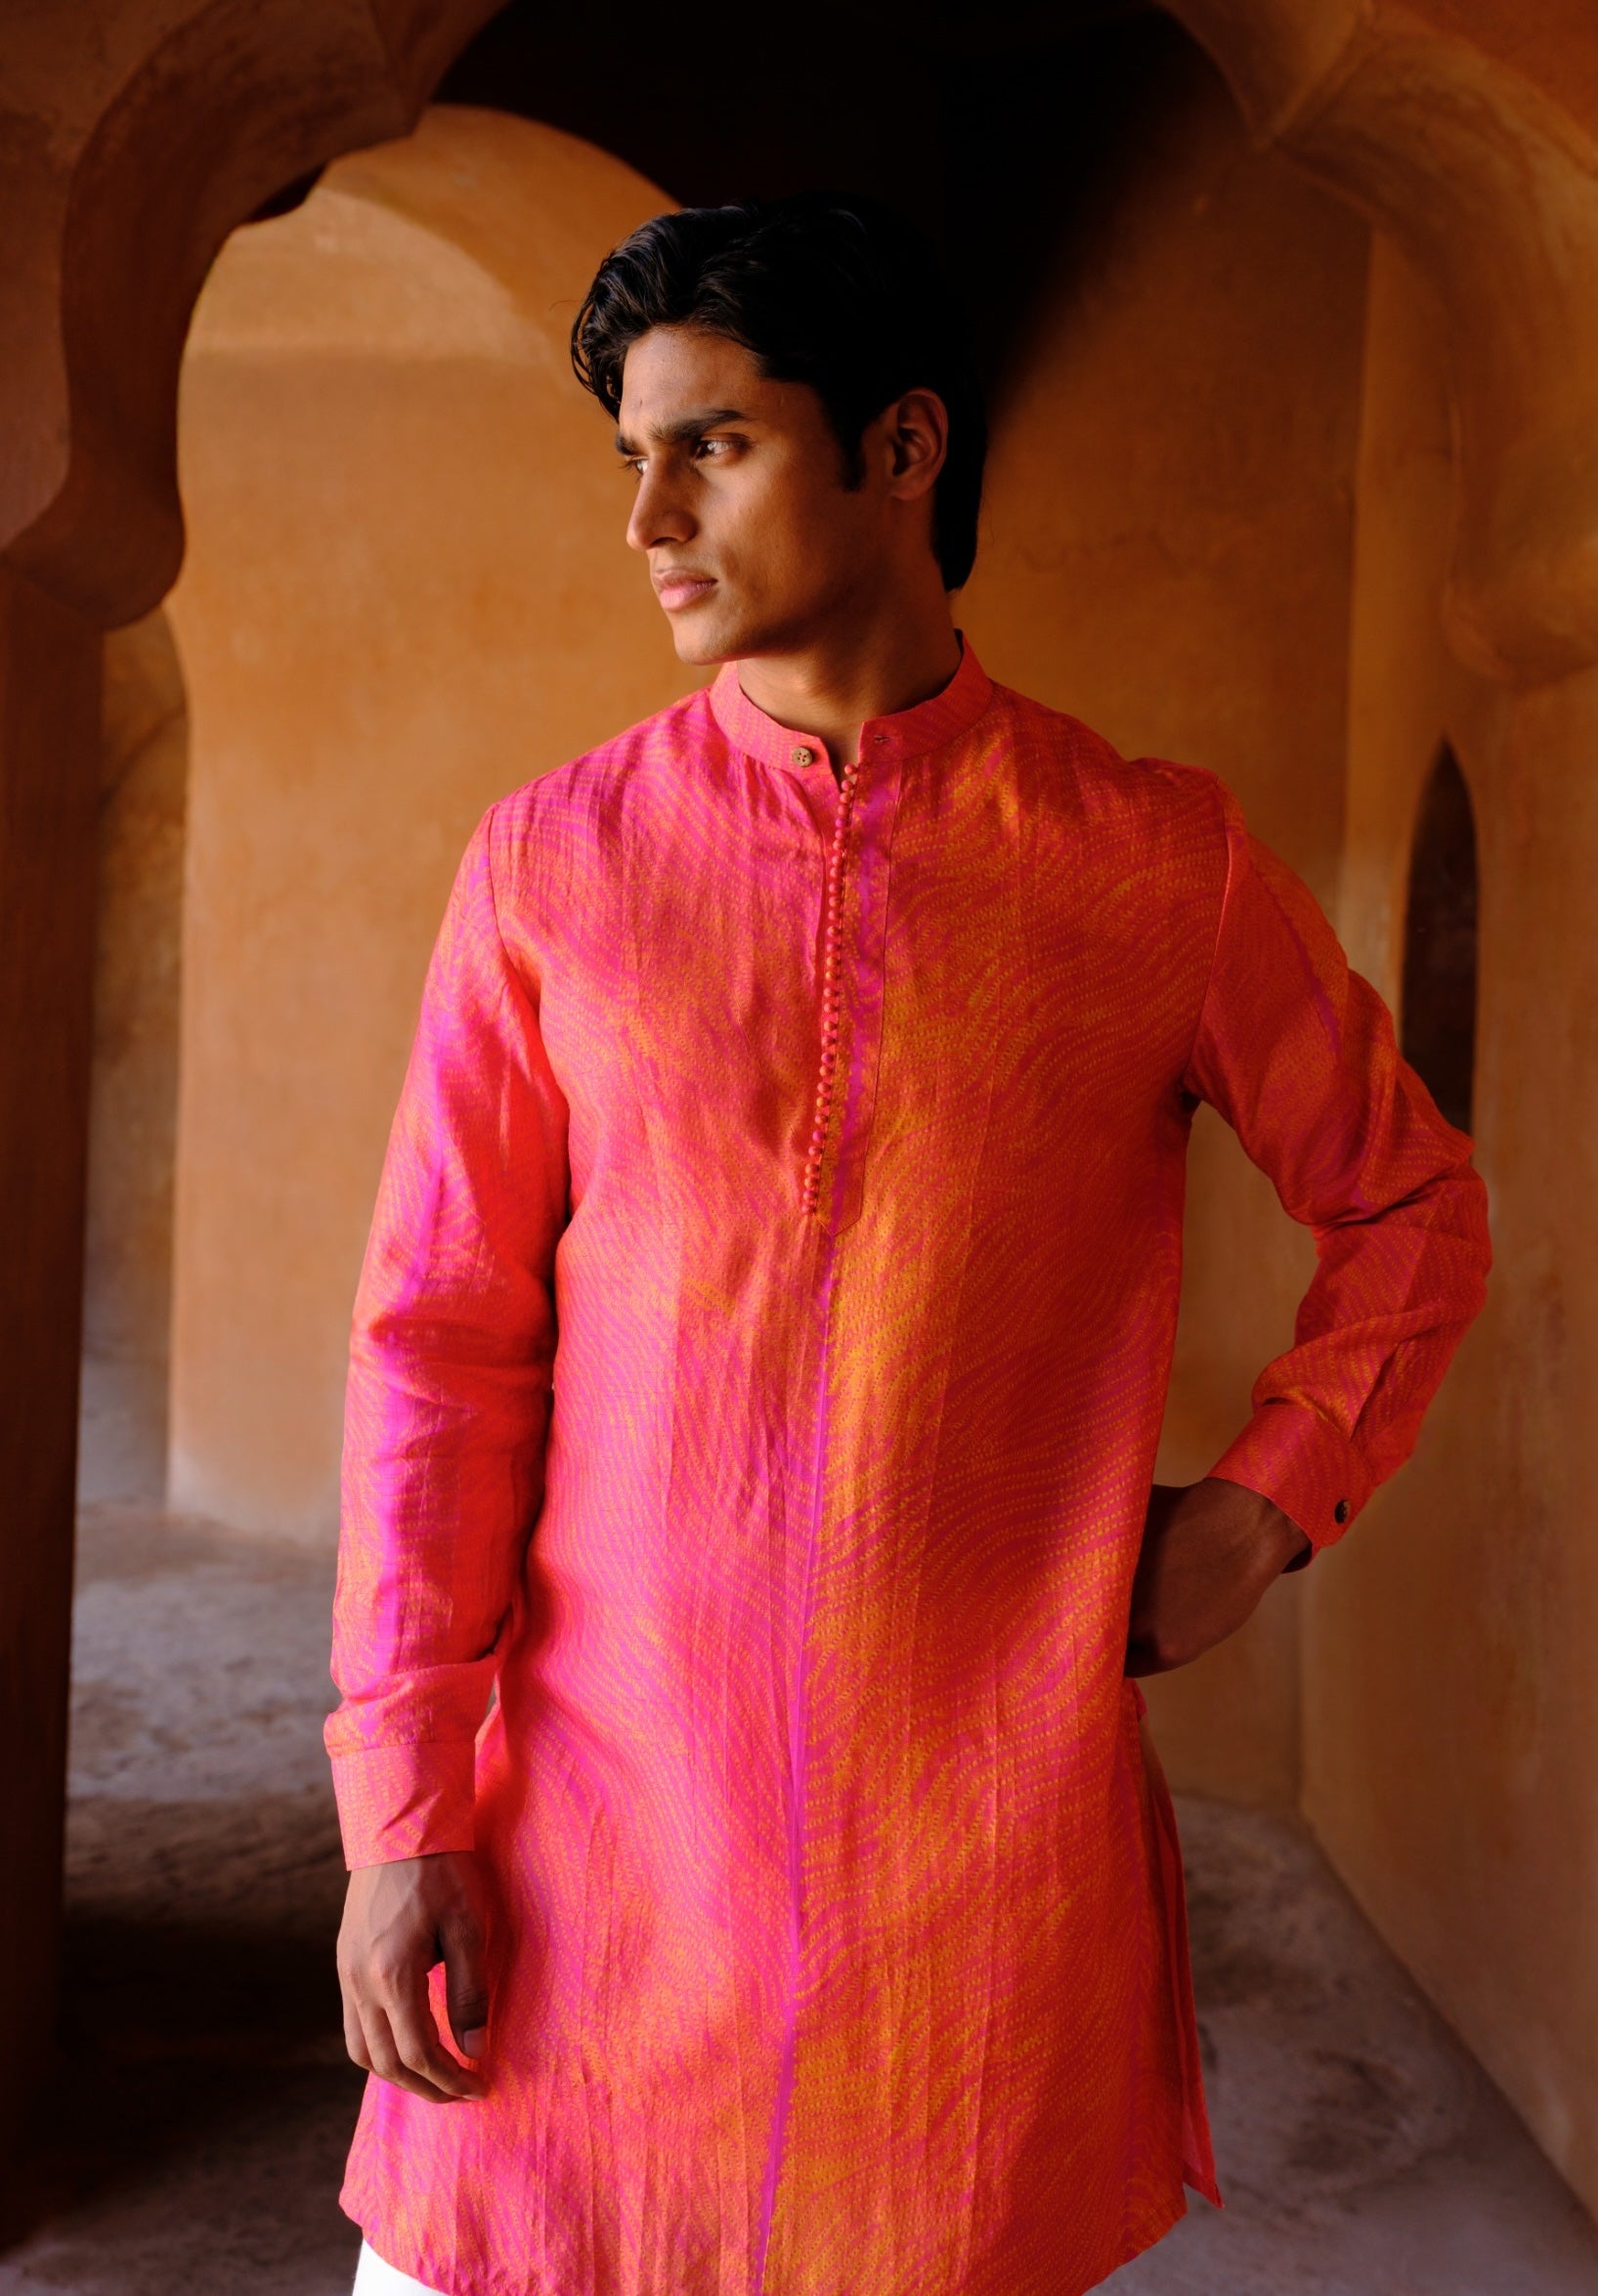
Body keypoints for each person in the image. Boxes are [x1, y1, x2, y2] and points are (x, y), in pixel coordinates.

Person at [326, 193, 1490, 2296]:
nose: (647, 518)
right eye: (631, 457)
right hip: (593, 1859)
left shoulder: (1151, 864)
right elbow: (441, 1345)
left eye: (712, 445)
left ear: (900, 445)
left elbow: (1410, 1200)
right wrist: (401, 1806)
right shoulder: (551, 868)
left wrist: (1264, 1504)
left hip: (970, 1899)